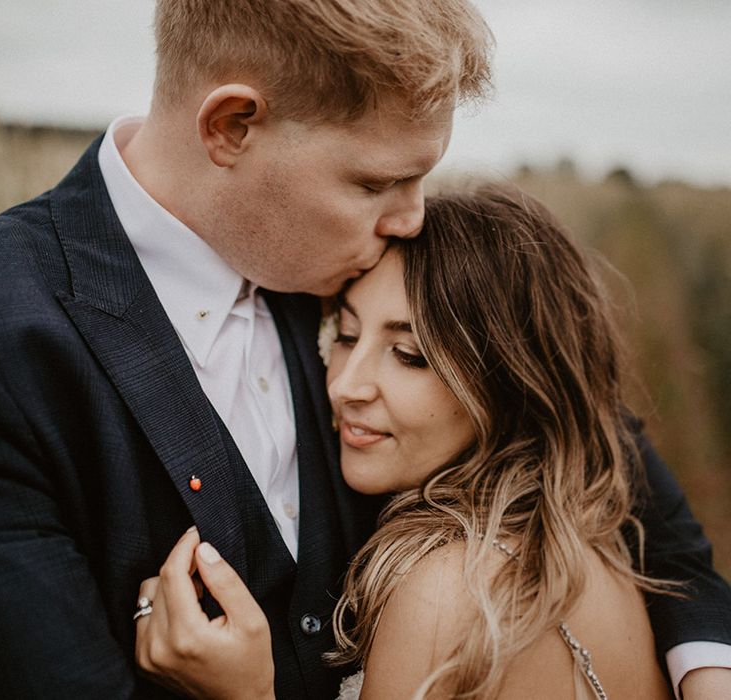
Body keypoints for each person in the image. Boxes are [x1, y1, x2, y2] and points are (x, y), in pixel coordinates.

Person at [0, 0, 728, 697]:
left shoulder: (355, 265)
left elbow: (598, 453)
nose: (410, 220)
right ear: (231, 126)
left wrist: (709, 672)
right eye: (373, 184)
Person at [134, 186, 731, 699]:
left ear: (512, 383)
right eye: (344, 334)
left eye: (409, 355)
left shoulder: (448, 594)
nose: (343, 386)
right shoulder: (596, 546)